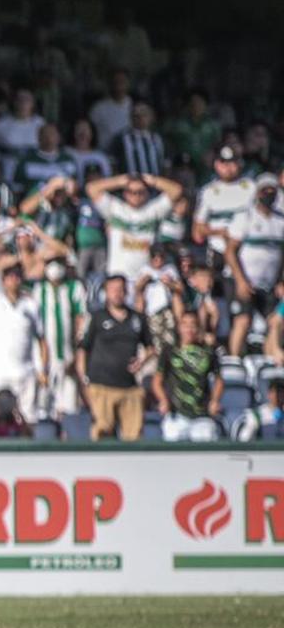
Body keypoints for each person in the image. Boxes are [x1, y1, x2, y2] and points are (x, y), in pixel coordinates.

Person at [78, 274, 152, 441]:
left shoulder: (137, 318)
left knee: (134, 437)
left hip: (129, 388)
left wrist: (142, 361)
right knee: (102, 432)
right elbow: (83, 349)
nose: (117, 293)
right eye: (113, 290)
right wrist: (84, 380)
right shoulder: (97, 317)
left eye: (121, 289)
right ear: (106, 292)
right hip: (101, 386)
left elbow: (150, 347)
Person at [0, 264, 50, 423]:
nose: (14, 280)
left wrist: (43, 370)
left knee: (28, 419)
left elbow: (42, 340)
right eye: (9, 276)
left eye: (17, 276)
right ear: (3, 280)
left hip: (25, 374)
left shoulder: (31, 305)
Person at [224, 177, 284, 356]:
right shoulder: (245, 217)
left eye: (272, 191)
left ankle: (270, 360)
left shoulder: (280, 221)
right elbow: (230, 251)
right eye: (265, 191)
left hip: (268, 284)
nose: (269, 195)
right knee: (243, 319)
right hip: (243, 281)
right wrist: (241, 280)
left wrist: (282, 281)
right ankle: (234, 360)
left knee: (275, 322)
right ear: (257, 193)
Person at [87, 171, 182, 282]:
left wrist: (152, 180)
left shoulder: (154, 210)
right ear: (125, 193)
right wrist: (119, 181)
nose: (135, 195)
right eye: (131, 191)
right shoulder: (115, 208)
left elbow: (176, 190)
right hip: (118, 277)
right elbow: (91, 188)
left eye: (140, 192)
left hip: (145, 277)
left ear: (147, 192)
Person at [155, 311, 223, 441]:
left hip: (202, 415)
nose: (189, 329)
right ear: (179, 327)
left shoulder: (208, 351)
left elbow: (219, 380)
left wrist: (215, 401)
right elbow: (157, 380)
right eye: (185, 324)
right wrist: (163, 400)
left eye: (193, 325)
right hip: (176, 414)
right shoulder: (169, 351)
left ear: (198, 328)